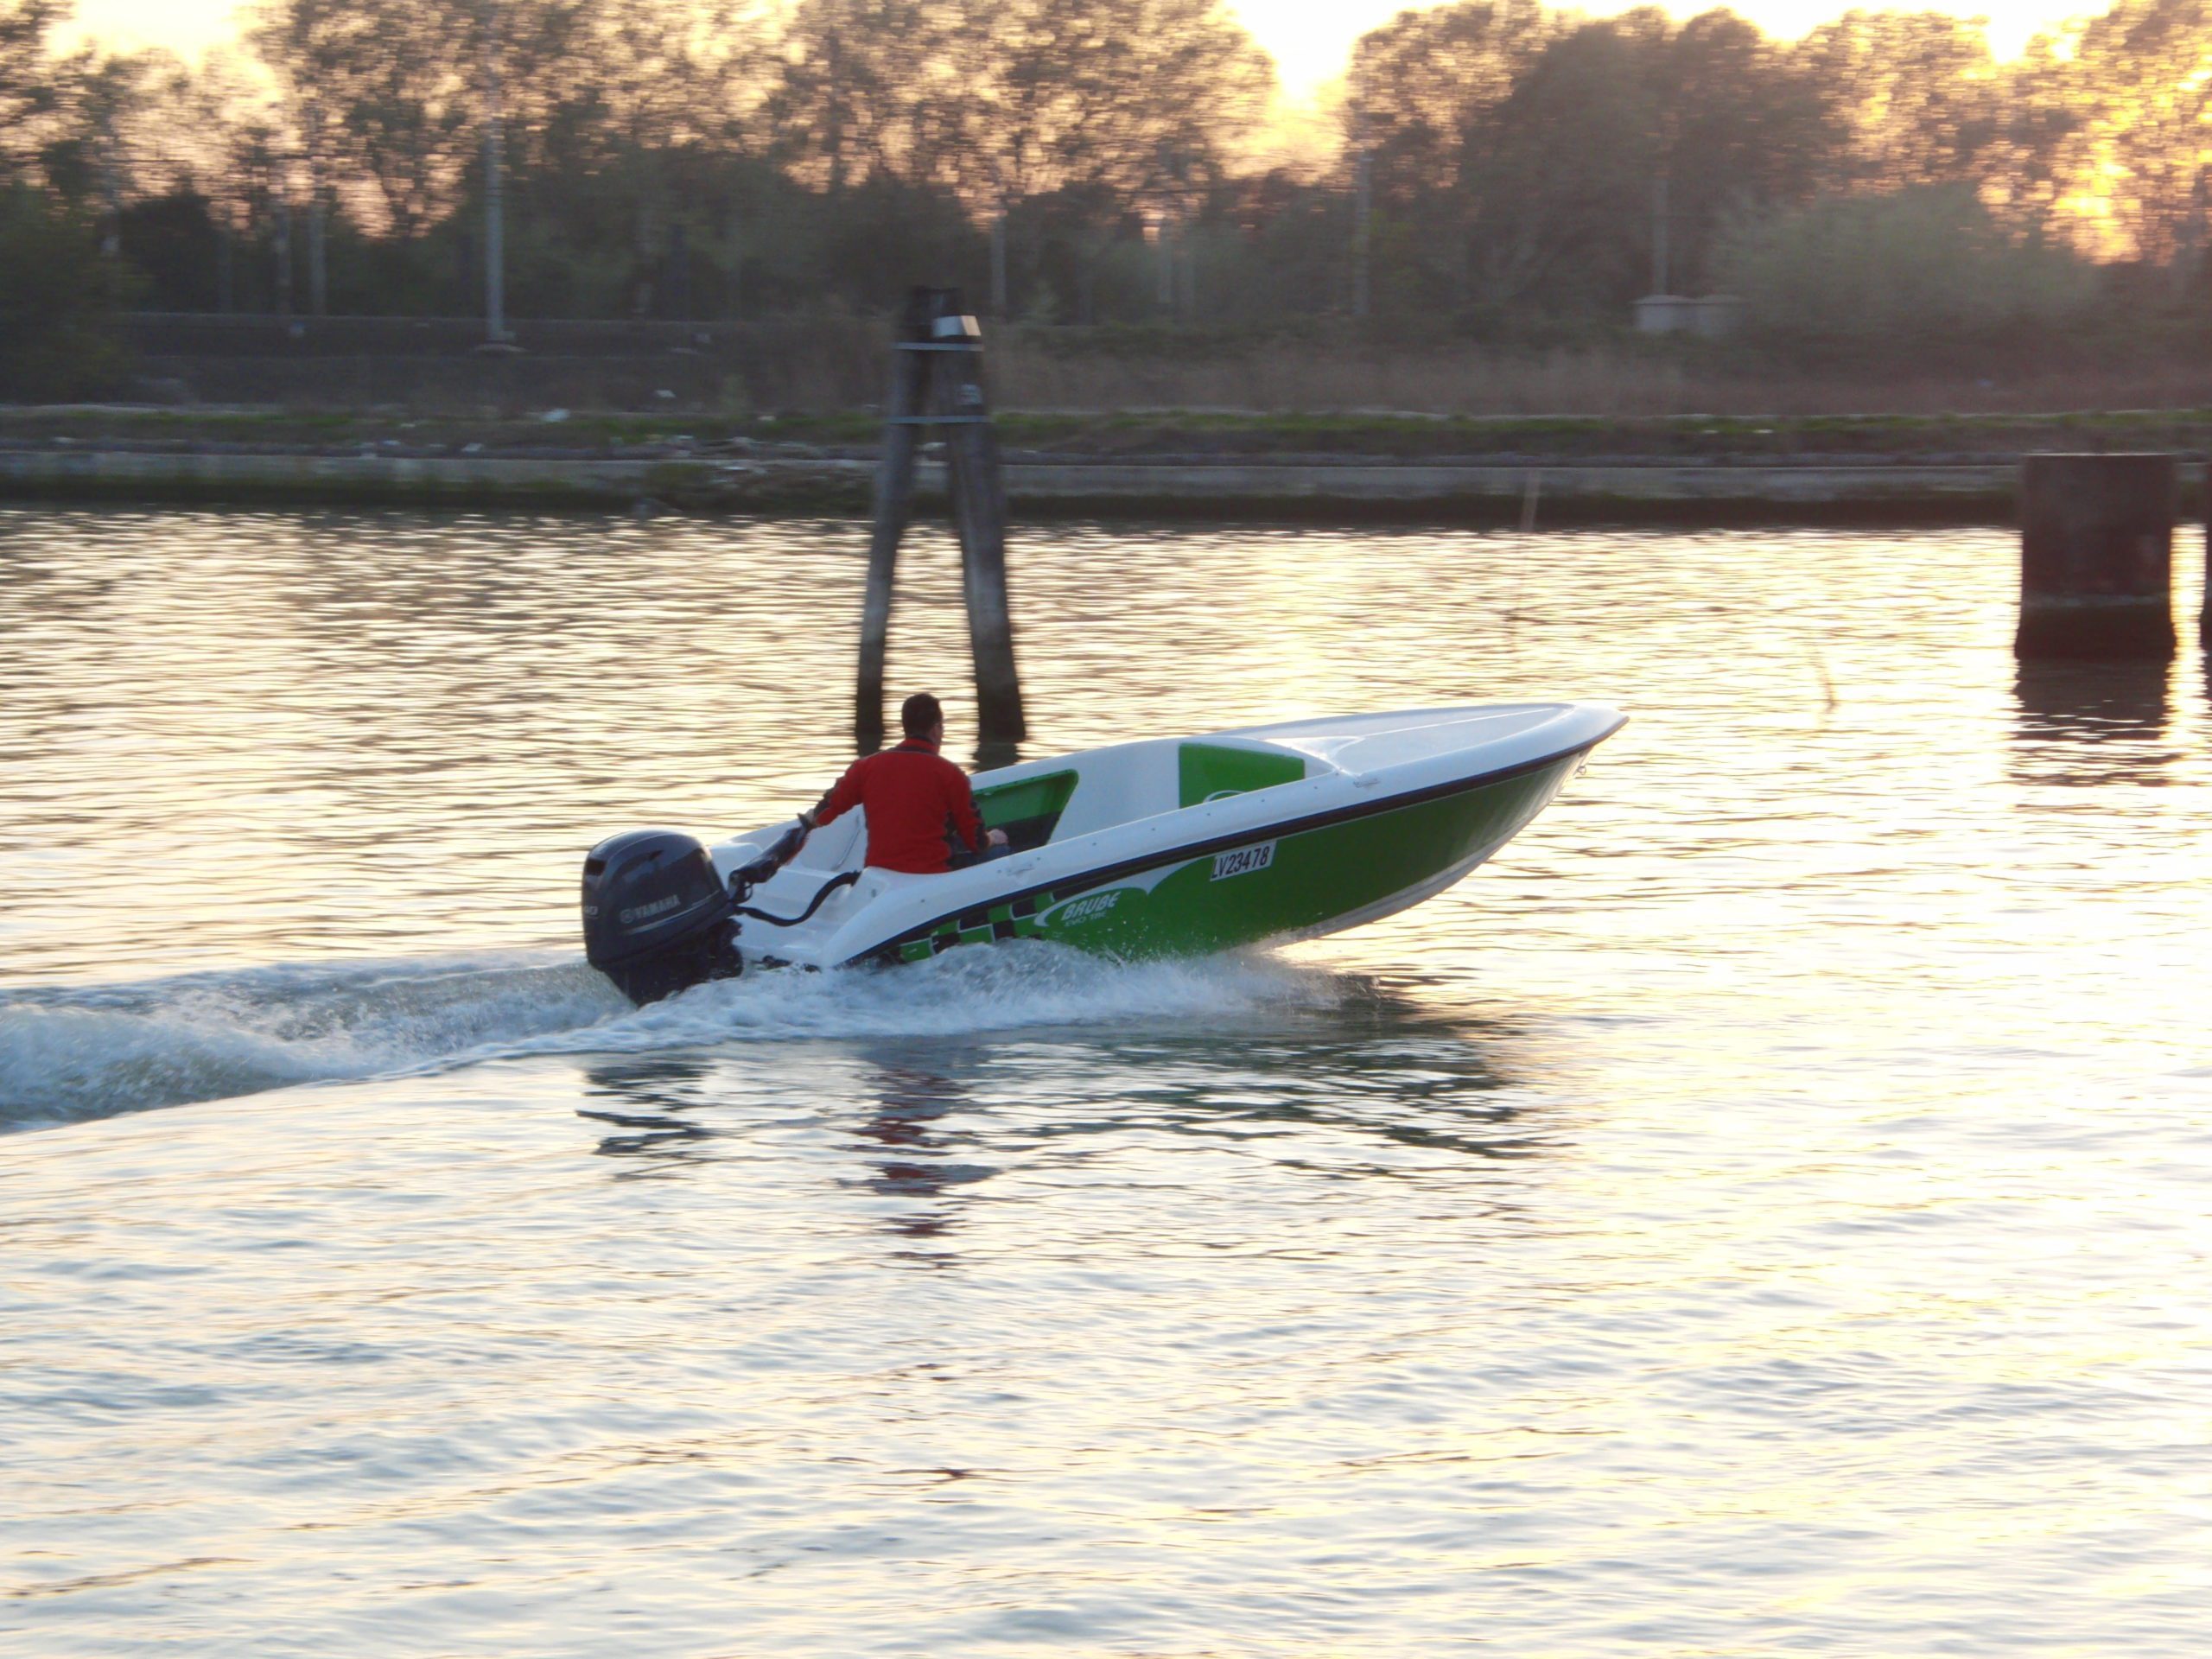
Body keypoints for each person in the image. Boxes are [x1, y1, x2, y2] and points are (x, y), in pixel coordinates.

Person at [798, 692, 1008, 874]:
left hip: (880, 871)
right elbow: (976, 841)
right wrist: (992, 838)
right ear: (936, 729)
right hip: (932, 874)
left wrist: (808, 822)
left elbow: (827, 810)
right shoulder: (951, 775)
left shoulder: (866, 767)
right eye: (942, 727)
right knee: (1004, 852)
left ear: (905, 726)